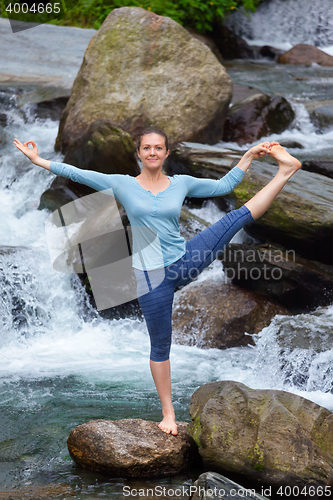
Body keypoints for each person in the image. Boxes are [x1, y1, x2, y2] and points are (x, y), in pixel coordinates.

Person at [13, 129, 301, 436]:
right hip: (152, 280)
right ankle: (168, 414)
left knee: (234, 219)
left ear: (165, 154)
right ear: (139, 154)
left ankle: (286, 171)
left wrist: (246, 157)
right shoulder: (122, 184)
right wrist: (38, 159)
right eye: (147, 148)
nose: (152, 152)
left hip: (186, 260)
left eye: (158, 147)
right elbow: (77, 173)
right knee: (160, 346)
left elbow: (224, 185)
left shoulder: (180, 184)